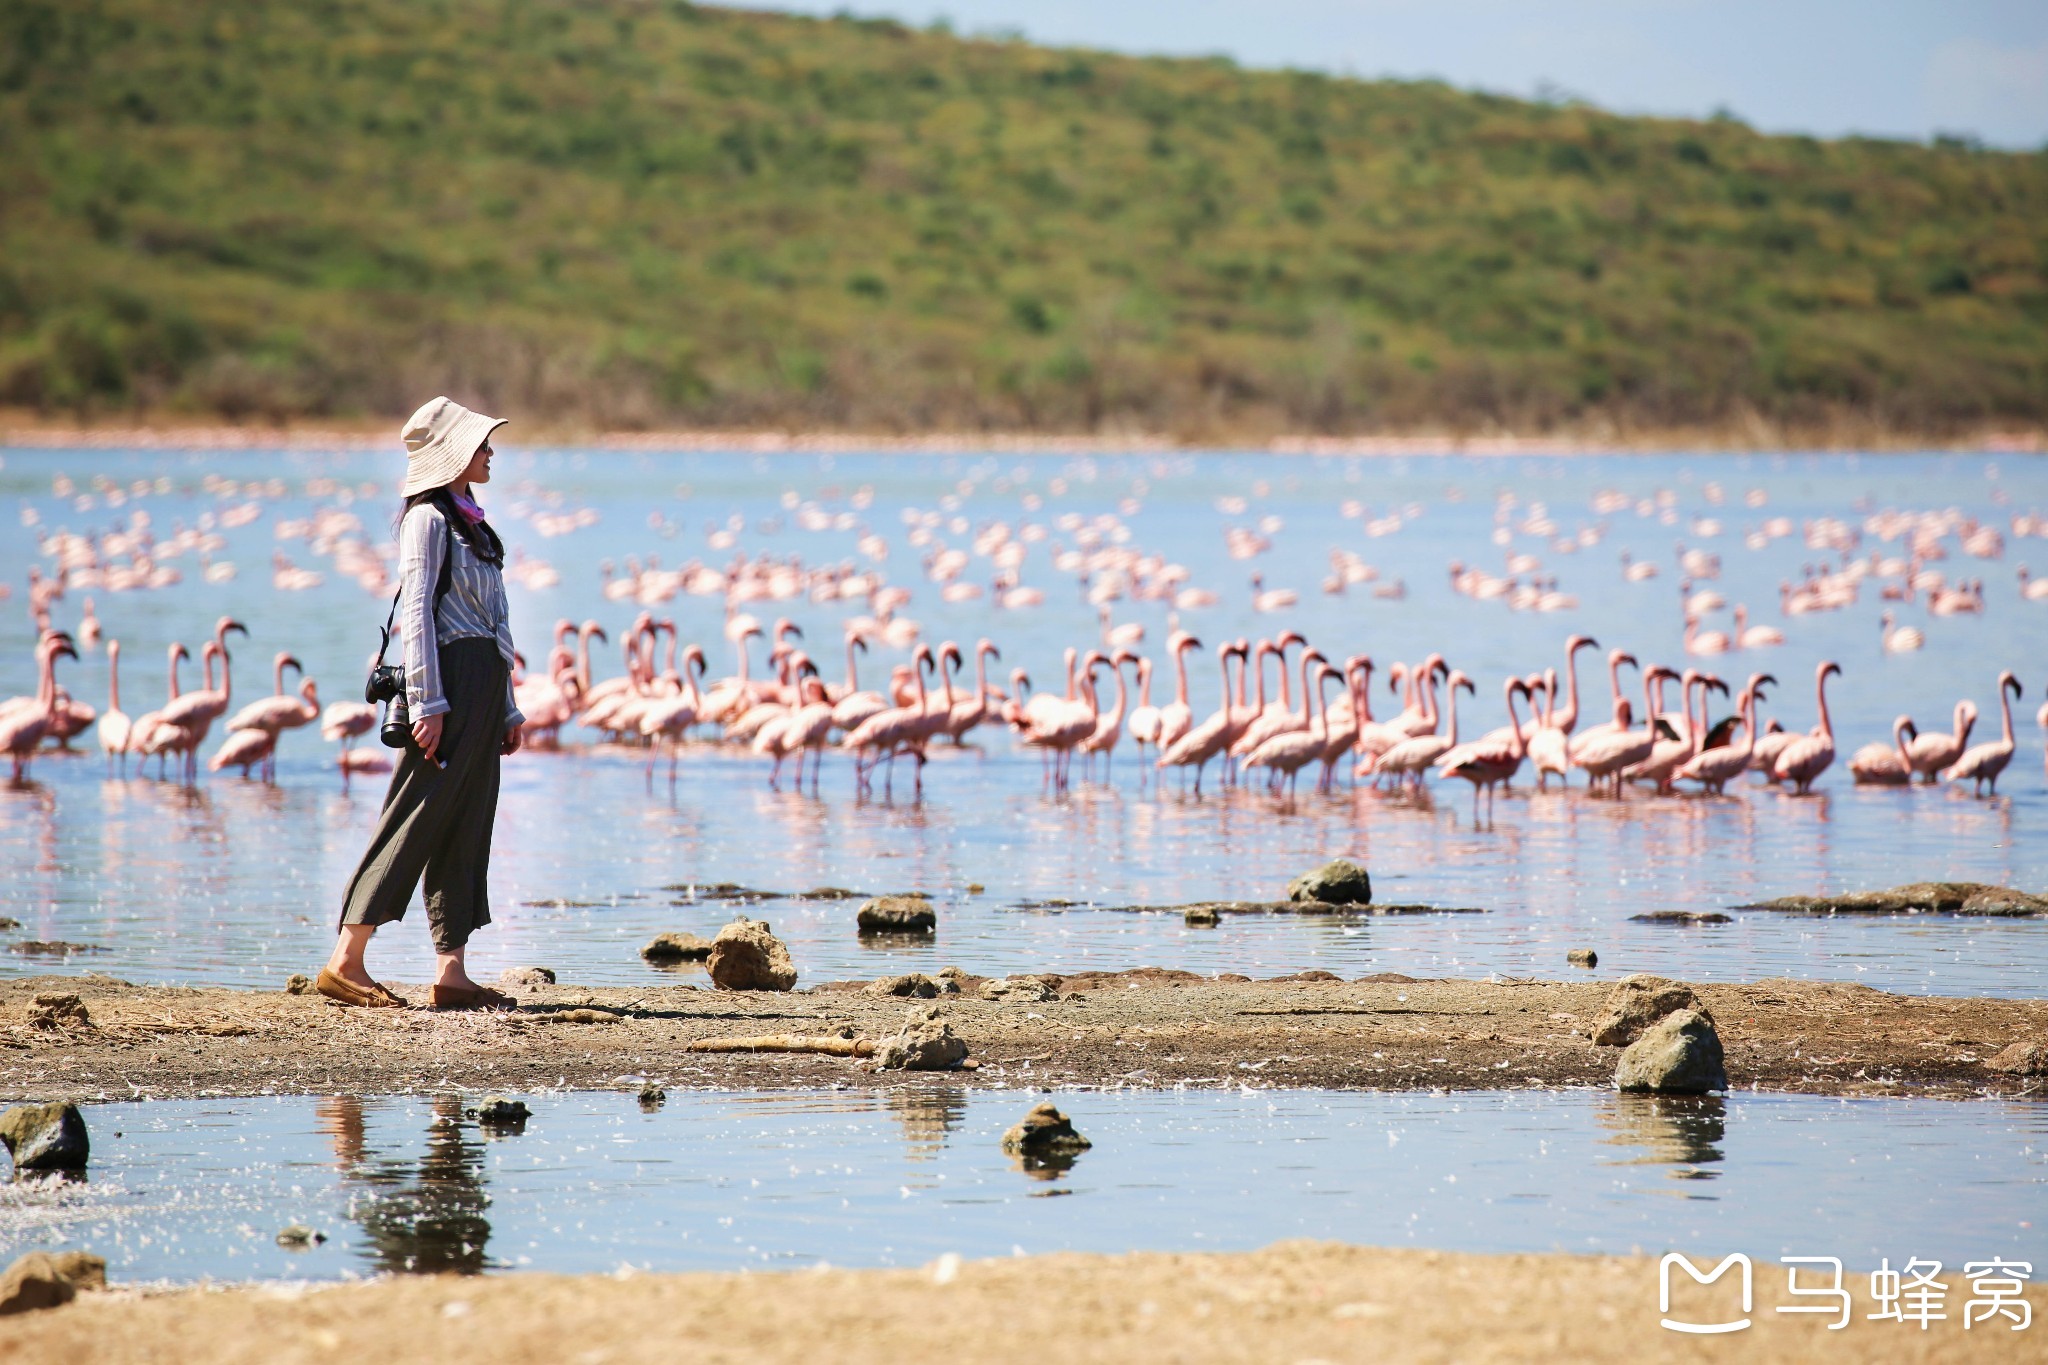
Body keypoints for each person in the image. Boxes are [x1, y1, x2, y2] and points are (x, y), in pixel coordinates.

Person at [317, 397, 525, 1010]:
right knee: (415, 811)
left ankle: (452, 971)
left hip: (484, 680)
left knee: (469, 817)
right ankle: (346, 959)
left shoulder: (475, 523)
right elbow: (417, 618)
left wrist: (508, 705)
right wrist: (427, 700)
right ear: (456, 455)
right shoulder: (427, 521)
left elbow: (496, 620)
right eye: (483, 445)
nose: (491, 454)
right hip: (449, 683)